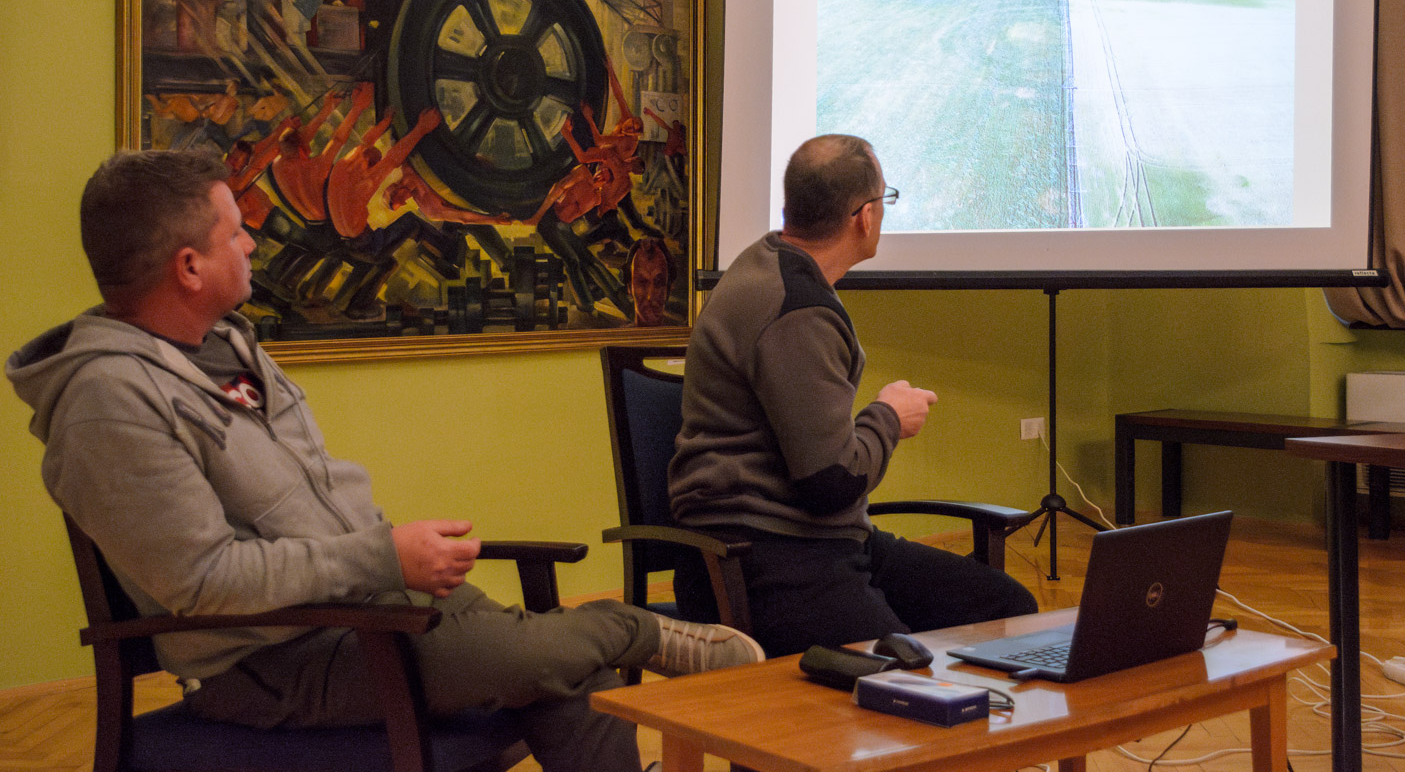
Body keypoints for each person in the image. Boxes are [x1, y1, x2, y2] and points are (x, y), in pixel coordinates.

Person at [7, 148, 762, 772]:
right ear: (188, 267)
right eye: (234, 233)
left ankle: (601, 647)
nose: (251, 244)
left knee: (555, 671)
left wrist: (390, 563)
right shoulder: (107, 402)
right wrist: (383, 557)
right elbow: (204, 582)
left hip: (372, 605)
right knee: (560, 662)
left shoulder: (226, 345)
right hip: (274, 662)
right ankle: (633, 629)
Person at [668, 134, 1037, 657]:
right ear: (864, 217)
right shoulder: (796, 310)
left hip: (826, 541)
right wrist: (889, 417)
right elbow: (830, 482)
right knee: (902, 672)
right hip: (764, 554)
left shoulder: (767, 264)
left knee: (1006, 609)